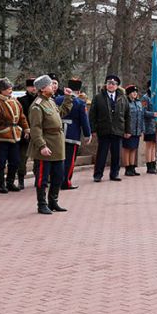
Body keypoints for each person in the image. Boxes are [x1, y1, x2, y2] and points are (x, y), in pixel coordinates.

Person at [27, 75, 75, 214]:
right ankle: (42, 204)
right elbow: (35, 129)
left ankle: (53, 201)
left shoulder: (50, 102)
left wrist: (67, 98)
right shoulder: (37, 105)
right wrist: (42, 146)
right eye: (50, 85)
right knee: (42, 177)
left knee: (58, 176)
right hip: (46, 145)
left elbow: (61, 113)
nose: (53, 87)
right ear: (42, 89)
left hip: (57, 145)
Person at [0, 78, 28, 193]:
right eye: (7, 88)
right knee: (0, 162)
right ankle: (1, 184)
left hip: (15, 137)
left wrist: (26, 129)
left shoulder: (15, 101)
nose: (10, 90)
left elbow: (22, 117)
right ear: (1, 90)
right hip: (1, 137)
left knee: (15, 161)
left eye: (10, 88)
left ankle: (10, 182)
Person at [89, 75, 125, 182]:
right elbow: (92, 115)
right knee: (102, 154)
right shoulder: (98, 97)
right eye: (109, 83)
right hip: (103, 129)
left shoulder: (122, 98)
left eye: (113, 84)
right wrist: (93, 129)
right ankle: (98, 174)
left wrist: (127, 130)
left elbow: (127, 115)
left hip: (117, 130)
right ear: (106, 85)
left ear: (117, 86)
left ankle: (114, 174)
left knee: (116, 154)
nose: (111, 86)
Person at [57, 77, 92, 188]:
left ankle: (56, 181)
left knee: (58, 159)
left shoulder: (57, 99)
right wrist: (87, 134)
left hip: (58, 132)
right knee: (69, 160)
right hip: (72, 134)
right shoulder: (80, 103)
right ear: (78, 91)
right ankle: (66, 182)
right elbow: (84, 120)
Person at [16, 78, 38, 189]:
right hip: (25, 133)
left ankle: (37, 178)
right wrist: (25, 129)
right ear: (27, 87)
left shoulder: (40, 99)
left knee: (38, 158)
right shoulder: (21, 100)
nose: (33, 88)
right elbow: (20, 117)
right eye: (31, 86)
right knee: (22, 158)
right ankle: (21, 180)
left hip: (38, 133)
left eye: (35, 86)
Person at [123, 84, 146, 176]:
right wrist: (125, 130)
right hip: (128, 130)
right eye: (133, 92)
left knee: (133, 149)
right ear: (128, 93)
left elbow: (141, 116)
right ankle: (127, 168)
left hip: (137, 130)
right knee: (127, 149)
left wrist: (141, 129)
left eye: (136, 92)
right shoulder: (125, 103)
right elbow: (123, 117)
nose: (135, 94)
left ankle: (132, 167)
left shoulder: (138, 102)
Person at [140, 86, 157, 175]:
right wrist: (153, 114)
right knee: (149, 146)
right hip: (149, 126)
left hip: (155, 125)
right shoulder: (145, 98)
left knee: (153, 146)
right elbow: (143, 111)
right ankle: (149, 166)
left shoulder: (156, 98)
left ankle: (153, 164)